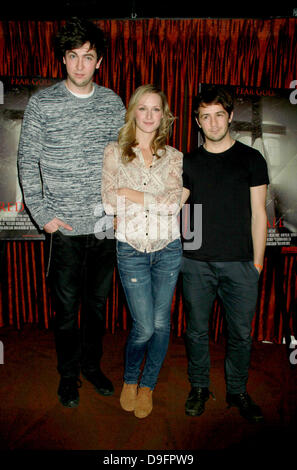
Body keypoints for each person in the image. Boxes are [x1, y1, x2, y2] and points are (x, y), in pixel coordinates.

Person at [18, 17, 126, 408]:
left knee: (97, 307)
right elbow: (27, 163)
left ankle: (91, 366)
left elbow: (124, 161)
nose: (80, 65)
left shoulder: (113, 103)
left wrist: (117, 212)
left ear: (99, 62)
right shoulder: (42, 103)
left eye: (88, 57)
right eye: (73, 57)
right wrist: (43, 214)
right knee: (66, 310)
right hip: (61, 228)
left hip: (103, 228)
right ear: (63, 60)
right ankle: (68, 376)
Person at [181, 85, 269, 422]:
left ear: (230, 116)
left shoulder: (251, 159)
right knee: (197, 331)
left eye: (220, 115)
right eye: (206, 116)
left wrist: (257, 264)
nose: (214, 122)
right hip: (196, 264)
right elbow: (181, 208)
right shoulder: (188, 161)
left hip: (242, 265)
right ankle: (200, 387)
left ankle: (237, 391)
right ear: (197, 121)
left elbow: (259, 214)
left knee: (240, 334)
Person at [102, 84, 183, 418]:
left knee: (162, 325)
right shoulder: (114, 152)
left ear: (164, 115)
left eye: (156, 109)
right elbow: (108, 203)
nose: (149, 116)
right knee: (145, 327)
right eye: (143, 108)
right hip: (131, 249)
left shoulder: (174, 156)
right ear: (133, 111)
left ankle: (148, 385)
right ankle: (130, 379)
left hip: (168, 248)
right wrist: (153, 199)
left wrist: (130, 193)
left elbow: (173, 205)